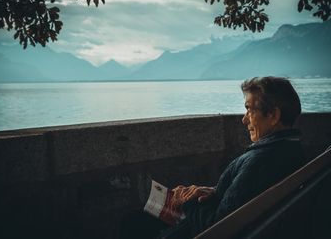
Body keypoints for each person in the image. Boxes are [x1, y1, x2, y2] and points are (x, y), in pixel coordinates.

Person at [119, 76, 305, 239]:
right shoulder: (291, 150)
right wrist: (214, 192)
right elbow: (243, 195)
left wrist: (188, 201)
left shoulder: (261, 160)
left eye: (249, 109)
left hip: (201, 229)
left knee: (132, 223)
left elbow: (219, 226)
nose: (244, 119)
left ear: (273, 115)